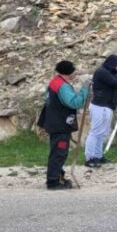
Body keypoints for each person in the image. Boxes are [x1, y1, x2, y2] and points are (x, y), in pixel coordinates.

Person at [40, 60, 90, 190]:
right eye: (74, 70)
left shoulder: (55, 82)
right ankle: (53, 181)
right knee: (59, 152)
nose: (76, 73)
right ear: (68, 73)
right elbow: (74, 103)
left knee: (57, 151)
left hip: (54, 122)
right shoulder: (62, 86)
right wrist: (84, 89)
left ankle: (58, 176)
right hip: (60, 124)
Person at [84, 54, 117, 168]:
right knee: (95, 132)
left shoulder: (109, 72)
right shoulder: (102, 72)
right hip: (99, 106)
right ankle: (89, 157)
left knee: (102, 133)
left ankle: (98, 156)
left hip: (107, 106)